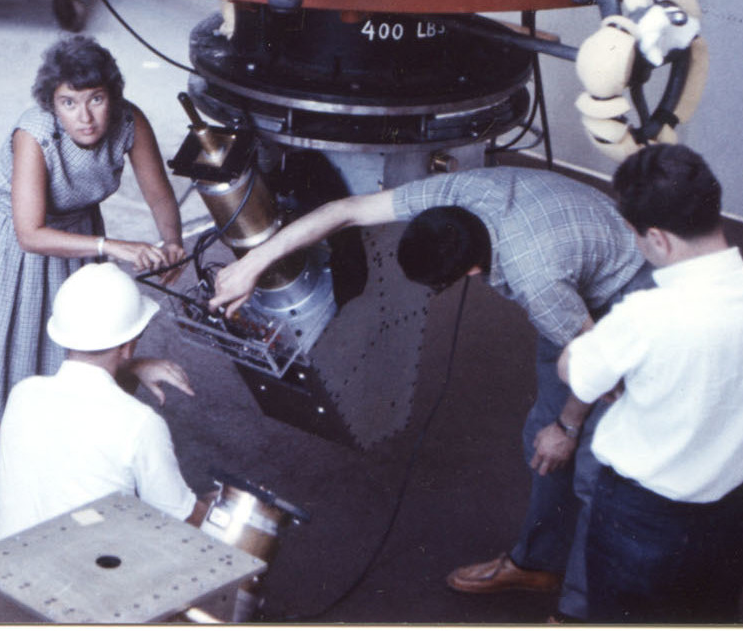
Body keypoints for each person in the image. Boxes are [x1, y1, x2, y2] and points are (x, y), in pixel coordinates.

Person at [209, 166, 653, 620]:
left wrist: (569, 425)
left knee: (597, 471)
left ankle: (582, 612)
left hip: (626, 287)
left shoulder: (536, 279)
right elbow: (345, 212)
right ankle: (537, 563)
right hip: (577, 255)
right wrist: (251, 263)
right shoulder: (454, 192)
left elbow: (595, 365)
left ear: (474, 270)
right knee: (540, 438)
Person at [558, 145, 743, 622]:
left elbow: (576, 371)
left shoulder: (647, 317)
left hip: (641, 519)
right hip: (730, 512)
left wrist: (602, 352)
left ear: (657, 239)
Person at [0, 35, 187, 420]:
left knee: (84, 341)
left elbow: (160, 197)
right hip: (16, 240)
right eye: (69, 103)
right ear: (52, 103)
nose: (84, 118)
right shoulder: (33, 133)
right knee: (20, 358)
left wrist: (173, 243)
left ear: (112, 97)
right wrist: (114, 247)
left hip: (79, 228)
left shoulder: (129, 121)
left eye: (96, 99)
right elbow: (30, 234)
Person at [0, 262, 208, 542]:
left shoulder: (23, 395)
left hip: (5, 571)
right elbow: (181, 516)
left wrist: (130, 367)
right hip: (91, 579)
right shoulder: (141, 423)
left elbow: (86, 414)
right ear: (128, 346)